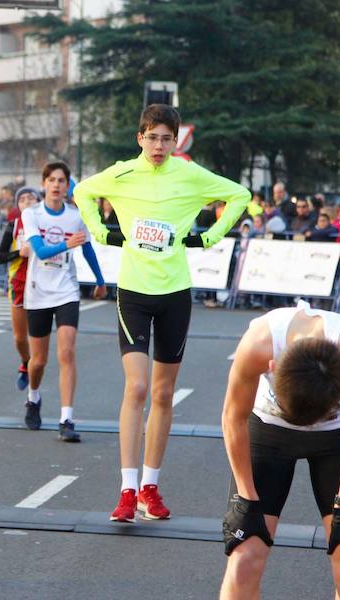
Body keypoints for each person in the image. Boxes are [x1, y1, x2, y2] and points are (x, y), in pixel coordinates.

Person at [74, 103, 250, 522]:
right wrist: (101, 232)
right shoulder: (121, 173)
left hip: (175, 293)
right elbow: (83, 192)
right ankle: (126, 488)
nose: (158, 145)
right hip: (134, 291)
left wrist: (210, 237)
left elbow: (239, 195)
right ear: (140, 138)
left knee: (163, 393)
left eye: (166, 139)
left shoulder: (189, 175)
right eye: (151, 137)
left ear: (176, 141)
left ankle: (149, 487)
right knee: (136, 389)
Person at [219, 301, 340, 599]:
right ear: (273, 367)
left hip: (335, 438)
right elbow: (233, 418)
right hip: (269, 432)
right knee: (244, 559)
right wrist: (246, 498)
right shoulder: (260, 343)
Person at [22, 164, 106, 439]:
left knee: (67, 352)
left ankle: (66, 419)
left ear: (68, 186)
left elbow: (88, 248)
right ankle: (34, 397)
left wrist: (100, 280)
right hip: (37, 292)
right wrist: (67, 245)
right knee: (38, 361)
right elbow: (41, 250)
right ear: (44, 183)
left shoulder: (75, 216)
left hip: (66, 290)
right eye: (52, 180)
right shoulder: (31, 214)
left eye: (62, 181)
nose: (57, 185)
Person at [0, 187, 40, 391]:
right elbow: (0, 257)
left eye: (31, 198)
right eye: (22, 199)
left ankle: (35, 379)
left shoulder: (47, 224)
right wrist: (18, 253)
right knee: (20, 337)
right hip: (19, 283)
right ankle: (25, 361)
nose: (27, 201)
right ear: (18, 205)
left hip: (43, 284)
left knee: (37, 336)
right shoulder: (13, 226)